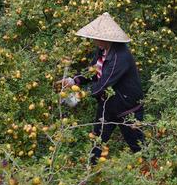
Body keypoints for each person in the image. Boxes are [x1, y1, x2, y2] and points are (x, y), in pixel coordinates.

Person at [58, 12, 145, 164]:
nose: (94, 40)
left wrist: (78, 96)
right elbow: (93, 71)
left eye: (96, 37)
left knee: (138, 148)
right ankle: (89, 176)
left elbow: (103, 84)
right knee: (96, 144)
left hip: (127, 109)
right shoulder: (102, 50)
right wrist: (74, 80)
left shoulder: (120, 57)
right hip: (107, 105)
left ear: (106, 38)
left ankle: (152, 179)